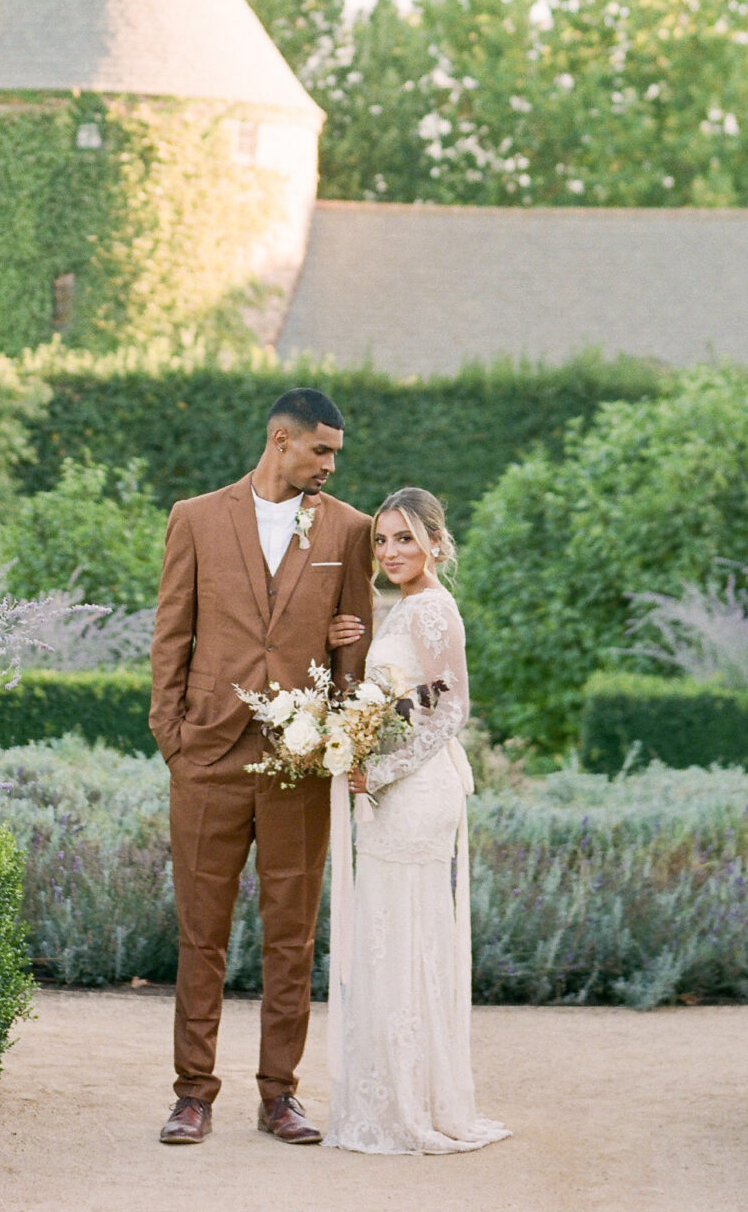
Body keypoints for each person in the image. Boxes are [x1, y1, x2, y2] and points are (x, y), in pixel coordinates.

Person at [148, 386, 374, 1147]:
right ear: (282, 440)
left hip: (299, 765)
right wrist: (173, 738)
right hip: (207, 757)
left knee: (291, 936)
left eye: (334, 453)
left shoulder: (351, 529)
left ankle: (280, 1095)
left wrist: (338, 728)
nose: (331, 465)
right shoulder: (196, 518)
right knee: (200, 934)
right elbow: (171, 633)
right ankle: (193, 1095)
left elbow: (357, 652)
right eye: (322, 450)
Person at [321, 486, 510, 1156]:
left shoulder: (434, 608)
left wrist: (384, 772)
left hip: (417, 792)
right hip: (386, 789)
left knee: (405, 933)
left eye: (405, 537)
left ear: (435, 540)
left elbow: (449, 710)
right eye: (382, 539)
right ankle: (392, 1097)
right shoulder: (398, 609)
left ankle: (413, 1105)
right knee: (385, 935)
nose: (392, 550)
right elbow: (394, 695)